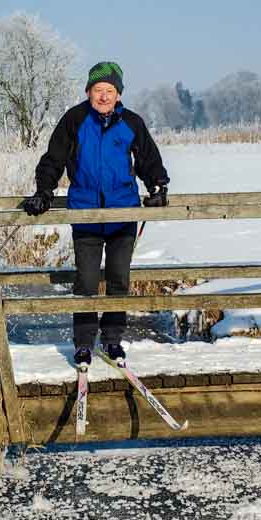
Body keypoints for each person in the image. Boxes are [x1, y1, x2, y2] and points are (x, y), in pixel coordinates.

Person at [20, 61, 170, 367]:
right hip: (85, 214)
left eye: (109, 91)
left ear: (118, 94)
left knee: (119, 280)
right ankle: (84, 344)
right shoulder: (74, 120)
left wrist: (157, 187)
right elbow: (54, 158)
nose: (103, 96)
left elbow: (148, 159)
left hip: (122, 213)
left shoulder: (131, 123)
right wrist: (44, 192)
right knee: (86, 282)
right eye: (98, 90)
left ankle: (113, 340)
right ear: (89, 91)